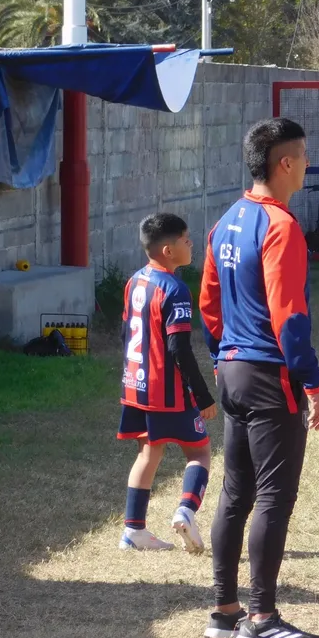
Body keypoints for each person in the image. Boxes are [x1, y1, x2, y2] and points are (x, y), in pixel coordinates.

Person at [200, 117, 319, 638]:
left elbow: (209, 305)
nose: (307, 163)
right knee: (274, 497)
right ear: (283, 163)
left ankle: (223, 608)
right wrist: (314, 383)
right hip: (267, 374)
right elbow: (289, 317)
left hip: (232, 371)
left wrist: (222, 356)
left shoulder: (227, 219)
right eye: (302, 155)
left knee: (235, 492)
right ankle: (262, 618)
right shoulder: (280, 226)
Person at [116, 213, 217, 553]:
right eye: (186, 239)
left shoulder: (134, 282)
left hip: (136, 384)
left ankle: (133, 530)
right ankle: (186, 510)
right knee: (200, 451)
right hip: (166, 390)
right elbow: (179, 348)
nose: (191, 244)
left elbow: (126, 332)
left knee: (149, 451)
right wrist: (202, 395)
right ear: (168, 249)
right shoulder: (175, 289)